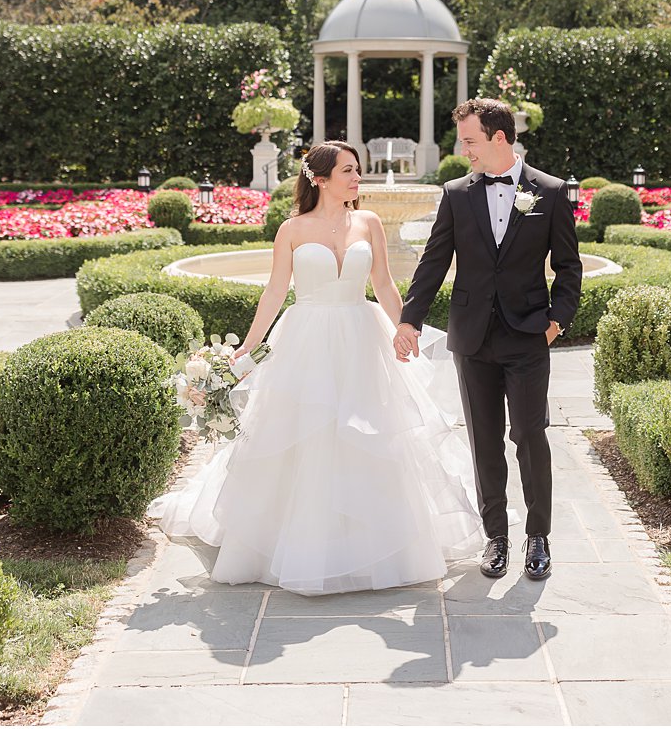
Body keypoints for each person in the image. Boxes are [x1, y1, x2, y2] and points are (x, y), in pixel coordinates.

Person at [152, 140, 483, 596]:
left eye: (358, 170)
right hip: (306, 339)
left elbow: (384, 283)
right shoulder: (291, 229)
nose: (357, 178)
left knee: (371, 437)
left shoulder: (368, 222)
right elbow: (273, 292)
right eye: (348, 171)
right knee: (305, 436)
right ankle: (300, 547)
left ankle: (376, 545)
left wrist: (406, 328)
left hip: (362, 336)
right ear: (320, 178)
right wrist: (247, 350)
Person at [395, 98, 582, 581]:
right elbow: (433, 261)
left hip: (528, 336)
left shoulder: (552, 192)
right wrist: (409, 320)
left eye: (471, 141)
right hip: (472, 338)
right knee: (484, 440)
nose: (465, 151)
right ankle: (495, 537)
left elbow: (568, 268)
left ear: (500, 138)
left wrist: (555, 322)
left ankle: (538, 535)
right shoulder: (457, 193)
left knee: (529, 435)